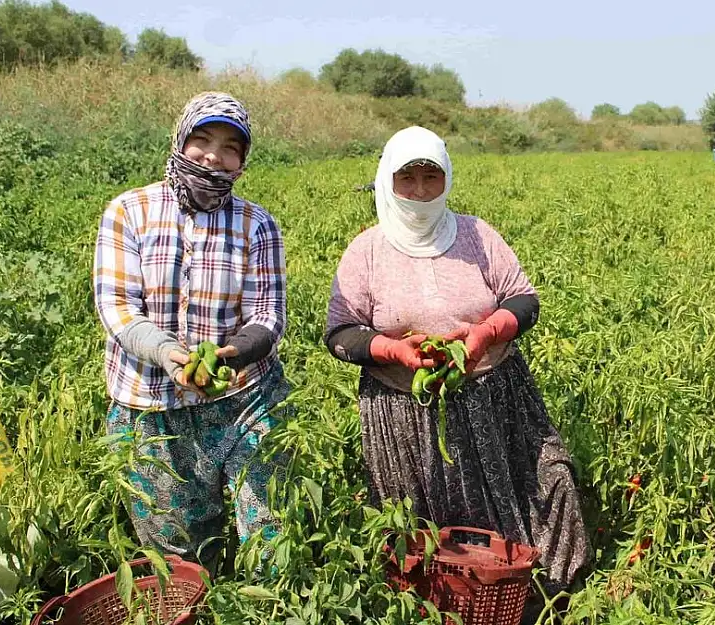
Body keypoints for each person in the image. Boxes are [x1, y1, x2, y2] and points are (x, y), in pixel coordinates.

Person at [324, 126, 589, 601]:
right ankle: (447, 602)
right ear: (386, 179)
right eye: (408, 178)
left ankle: (535, 595)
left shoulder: (475, 234)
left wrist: (486, 333)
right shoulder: (366, 250)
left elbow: (524, 300)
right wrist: (395, 350)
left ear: (447, 178)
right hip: (406, 412)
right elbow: (341, 334)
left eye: (432, 177)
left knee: (549, 481)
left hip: (496, 397)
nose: (421, 192)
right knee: (435, 523)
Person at [93, 92, 291, 574]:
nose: (213, 156)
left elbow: (268, 317)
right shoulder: (129, 211)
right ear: (180, 141)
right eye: (202, 140)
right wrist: (167, 354)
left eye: (229, 147)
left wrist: (230, 356)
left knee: (272, 530)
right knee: (177, 547)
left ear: (242, 161)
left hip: (244, 397)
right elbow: (117, 308)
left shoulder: (256, 223)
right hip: (151, 405)